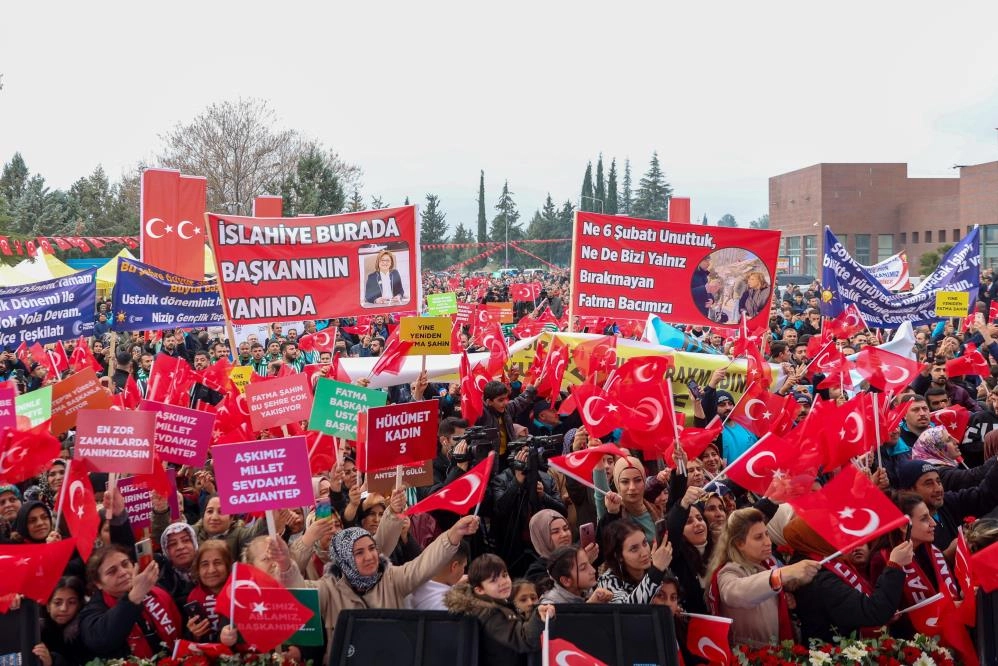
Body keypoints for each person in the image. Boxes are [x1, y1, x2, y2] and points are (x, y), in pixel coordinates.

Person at [784, 517, 909, 643]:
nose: (840, 536)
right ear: (815, 538)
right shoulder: (818, 577)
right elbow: (872, 611)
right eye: (832, 532)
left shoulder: (823, 562)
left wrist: (883, 610)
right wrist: (894, 565)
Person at [706, 508, 819, 647]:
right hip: (752, 657)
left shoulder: (766, 563)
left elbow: (775, 585)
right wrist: (784, 574)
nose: (768, 542)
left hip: (777, 651)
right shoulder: (728, 571)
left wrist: (799, 579)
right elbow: (737, 593)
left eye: (767, 534)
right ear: (739, 543)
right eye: (758, 537)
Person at [869, 493, 961, 637]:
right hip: (915, 642)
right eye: (924, 519)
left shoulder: (930, 550)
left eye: (930, 516)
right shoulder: (881, 560)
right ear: (904, 526)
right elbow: (887, 613)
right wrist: (944, 609)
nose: (933, 523)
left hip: (948, 630)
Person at [445, 553, 555, 666]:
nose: (503, 582)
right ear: (479, 590)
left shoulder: (496, 606)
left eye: (504, 575)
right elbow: (524, 640)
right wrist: (537, 616)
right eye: (493, 580)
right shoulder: (490, 613)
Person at [79, 545, 181, 659]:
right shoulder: (91, 612)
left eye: (125, 564)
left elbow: (180, 632)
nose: (123, 572)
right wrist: (134, 597)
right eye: (112, 571)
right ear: (98, 583)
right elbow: (102, 639)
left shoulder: (156, 591)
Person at [596, 519, 673, 604]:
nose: (644, 553)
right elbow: (627, 610)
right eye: (634, 549)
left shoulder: (656, 566)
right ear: (619, 556)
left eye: (645, 543)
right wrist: (656, 571)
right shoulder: (608, 580)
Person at [912, 425, 995, 491]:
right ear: (936, 449)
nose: (956, 441)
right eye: (948, 440)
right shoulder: (937, 472)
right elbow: (973, 477)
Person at [182, 540, 231, 643]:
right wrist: (194, 634)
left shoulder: (240, 592)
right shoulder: (193, 598)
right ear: (198, 569)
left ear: (228, 566)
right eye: (205, 564)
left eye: (217, 563)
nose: (211, 570)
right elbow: (193, 642)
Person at [41, 576, 93, 666]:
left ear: (79, 605)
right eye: (58, 603)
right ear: (48, 606)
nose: (64, 608)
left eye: (71, 602)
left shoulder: (86, 630)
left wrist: (52, 662)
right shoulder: (37, 629)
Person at [539, 545, 613, 605]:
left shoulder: (585, 591)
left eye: (589, 564)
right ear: (566, 581)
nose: (593, 570)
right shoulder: (549, 605)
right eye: (583, 568)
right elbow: (569, 623)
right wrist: (590, 606)